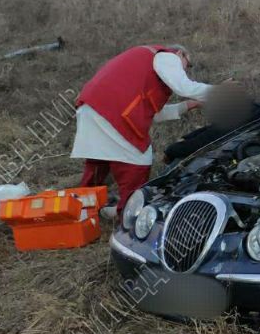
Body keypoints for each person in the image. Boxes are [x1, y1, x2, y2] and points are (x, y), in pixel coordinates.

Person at [71, 44, 214, 215]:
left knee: (99, 161)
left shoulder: (147, 66)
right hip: (112, 111)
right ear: (180, 53)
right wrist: (219, 92)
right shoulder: (167, 56)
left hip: (94, 107)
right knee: (139, 162)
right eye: (188, 64)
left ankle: (79, 211)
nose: (186, 70)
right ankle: (127, 212)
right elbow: (184, 87)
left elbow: (153, 114)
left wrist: (191, 105)